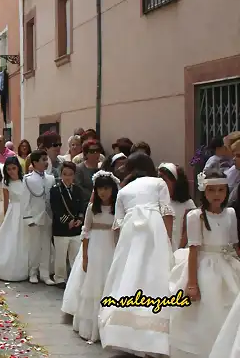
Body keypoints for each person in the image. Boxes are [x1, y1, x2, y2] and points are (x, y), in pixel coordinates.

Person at [98, 152, 174, 357]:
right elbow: (167, 213)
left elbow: (118, 226)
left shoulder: (124, 190)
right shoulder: (159, 183)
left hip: (131, 232)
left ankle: (125, 332)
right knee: (156, 276)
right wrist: (168, 241)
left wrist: (119, 251)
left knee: (129, 275)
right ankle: (156, 336)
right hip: (154, 229)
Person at [170, 171, 240, 357]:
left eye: (221, 190)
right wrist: (192, 283)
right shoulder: (196, 216)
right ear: (204, 191)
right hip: (204, 266)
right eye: (212, 190)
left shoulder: (230, 214)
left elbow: (235, 245)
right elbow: (194, 251)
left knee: (229, 306)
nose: (217, 194)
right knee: (208, 309)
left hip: (227, 264)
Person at [72, 171, 119, 342]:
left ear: (113, 189)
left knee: (108, 283)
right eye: (99, 189)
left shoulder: (118, 209)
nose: (103, 192)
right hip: (94, 249)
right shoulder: (92, 209)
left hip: (111, 249)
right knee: (93, 284)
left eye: (106, 188)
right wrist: (85, 256)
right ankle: (89, 325)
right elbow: (86, 232)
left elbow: (119, 232)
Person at [0, 157, 29, 281]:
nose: (11, 171)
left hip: (25, 210)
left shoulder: (25, 180)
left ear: (18, 168)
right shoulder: (7, 183)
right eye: (9, 169)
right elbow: (6, 202)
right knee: (13, 237)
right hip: (13, 212)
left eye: (14, 168)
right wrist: (5, 217)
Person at [24, 150, 56, 285]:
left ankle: (45, 273)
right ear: (35, 162)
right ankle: (33, 272)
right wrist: (28, 218)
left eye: (46, 159)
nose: (45, 162)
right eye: (43, 159)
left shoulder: (51, 178)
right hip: (35, 217)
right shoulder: (28, 179)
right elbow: (25, 201)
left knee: (46, 246)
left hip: (48, 216)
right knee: (34, 246)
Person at [50, 161, 84, 286]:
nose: (68, 177)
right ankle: (59, 278)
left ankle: (74, 278)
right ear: (61, 175)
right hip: (61, 228)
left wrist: (79, 219)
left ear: (74, 175)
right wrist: (67, 221)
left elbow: (82, 206)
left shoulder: (78, 189)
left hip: (76, 228)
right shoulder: (55, 190)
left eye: (70, 174)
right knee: (60, 255)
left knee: (75, 255)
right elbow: (56, 209)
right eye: (65, 174)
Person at [157, 163, 195, 251]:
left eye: (164, 179)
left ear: (175, 182)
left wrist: (179, 250)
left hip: (178, 249)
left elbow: (188, 230)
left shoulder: (188, 203)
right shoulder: (156, 202)